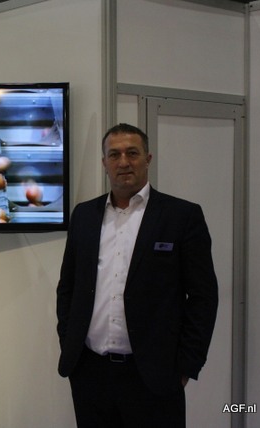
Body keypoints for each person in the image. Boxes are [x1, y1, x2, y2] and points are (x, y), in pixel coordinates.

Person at [56, 123, 218, 427]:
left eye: (132, 153)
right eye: (114, 155)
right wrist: (69, 342)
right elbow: (68, 287)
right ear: (104, 163)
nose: (124, 162)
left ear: (148, 159)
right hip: (90, 374)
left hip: (154, 377)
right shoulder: (84, 215)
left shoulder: (181, 216)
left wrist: (187, 365)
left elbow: (203, 297)